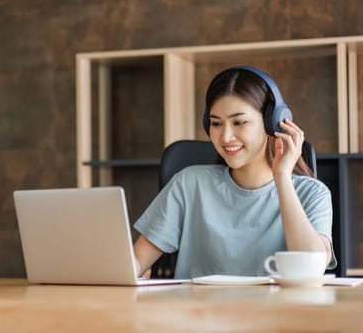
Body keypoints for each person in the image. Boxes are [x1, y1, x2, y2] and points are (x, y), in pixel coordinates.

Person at [133, 66, 337, 279]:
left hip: (274, 311)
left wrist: (282, 176)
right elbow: (137, 261)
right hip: (197, 310)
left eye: (239, 122)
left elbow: (311, 269)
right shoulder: (188, 184)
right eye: (216, 123)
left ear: (272, 123)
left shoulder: (312, 193)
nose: (225, 137)